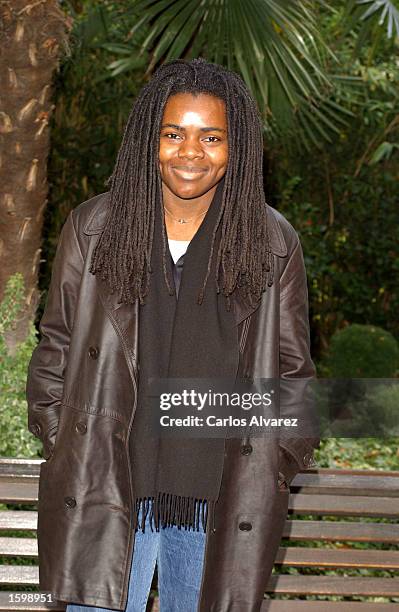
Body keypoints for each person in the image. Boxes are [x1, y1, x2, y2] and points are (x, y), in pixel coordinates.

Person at [26, 58, 319, 612]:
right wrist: (63, 435)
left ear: (237, 149)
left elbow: (293, 373)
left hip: (219, 497)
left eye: (211, 137)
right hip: (104, 487)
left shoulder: (271, 242)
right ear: (148, 140)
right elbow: (55, 347)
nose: (191, 152)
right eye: (173, 134)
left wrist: (274, 458)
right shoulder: (94, 229)